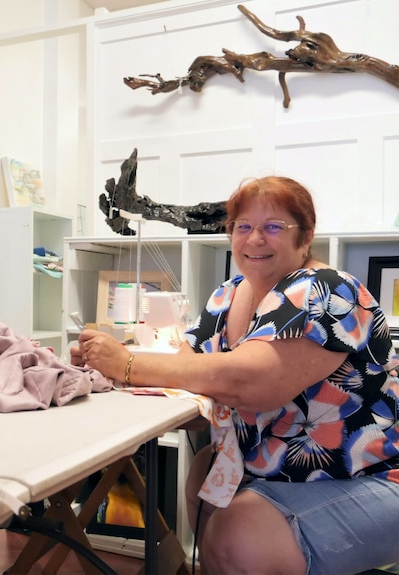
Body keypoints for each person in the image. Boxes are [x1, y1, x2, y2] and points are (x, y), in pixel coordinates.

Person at [71, 176, 399, 575]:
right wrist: (104, 363)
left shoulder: (326, 289)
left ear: (306, 236)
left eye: (273, 227)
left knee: (237, 532)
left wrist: (125, 364)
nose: (254, 239)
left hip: (372, 477)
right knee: (205, 471)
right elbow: (185, 372)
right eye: (242, 226)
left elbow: (249, 384)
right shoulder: (228, 294)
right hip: (280, 472)